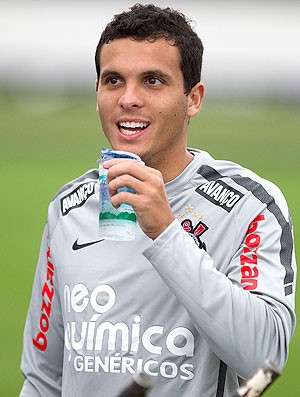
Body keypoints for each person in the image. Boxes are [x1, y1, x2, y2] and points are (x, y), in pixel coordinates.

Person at [20, 4, 296, 397]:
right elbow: (43, 379)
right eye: (113, 80)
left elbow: (265, 359)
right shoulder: (68, 209)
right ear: (97, 92)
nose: (129, 98)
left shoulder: (249, 207)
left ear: (193, 98)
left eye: (152, 80)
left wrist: (166, 232)